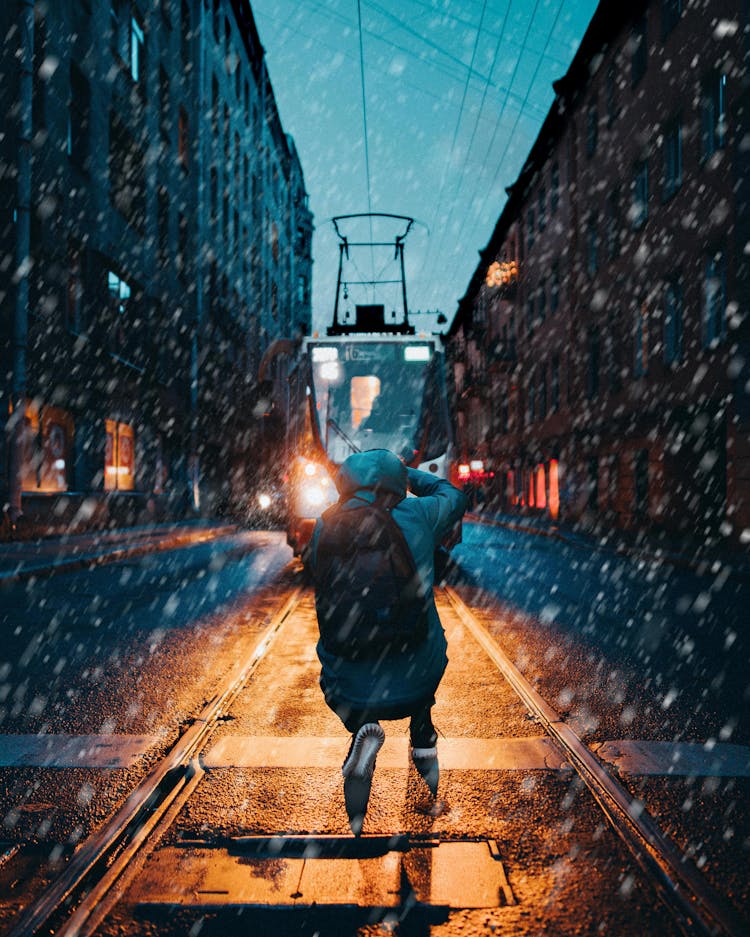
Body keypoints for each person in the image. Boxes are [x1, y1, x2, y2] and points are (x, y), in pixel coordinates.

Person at [308, 448, 467, 834]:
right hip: (416, 675)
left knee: (334, 655)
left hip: (350, 683)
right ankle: (422, 734)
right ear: (397, 481)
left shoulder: (325, 523)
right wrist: (409, 475)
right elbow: (455, 495)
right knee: (428, 636)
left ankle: (361, 730)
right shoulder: (419, 515)